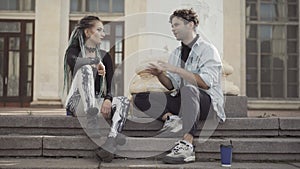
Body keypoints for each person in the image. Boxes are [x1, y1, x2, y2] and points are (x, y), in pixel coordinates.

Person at [133, 9, 226, 164]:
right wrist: (159, 74)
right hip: (183, 101)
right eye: (172, 25)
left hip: (206, 104)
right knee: (140, 97)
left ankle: (187, 144)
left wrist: (176, 69)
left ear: (190, 25)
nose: (173, 29)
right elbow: (172, 85)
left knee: (189, 89)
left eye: (176, 25)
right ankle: (171, 118)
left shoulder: (208, 50)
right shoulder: (176, 53)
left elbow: (205, 83)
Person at [63, 15, 130, 163]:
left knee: (124, 101)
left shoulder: (105, 56)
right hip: (77, 104)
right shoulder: (73, 51)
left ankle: (110, 143)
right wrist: (95, 62)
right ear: (87, 32)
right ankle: (91, 119)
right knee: (85, 68)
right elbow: (76, 62)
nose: (103, 34)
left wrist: (108, 99)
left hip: (97, 102)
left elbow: (111, 84)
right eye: (99, 30)